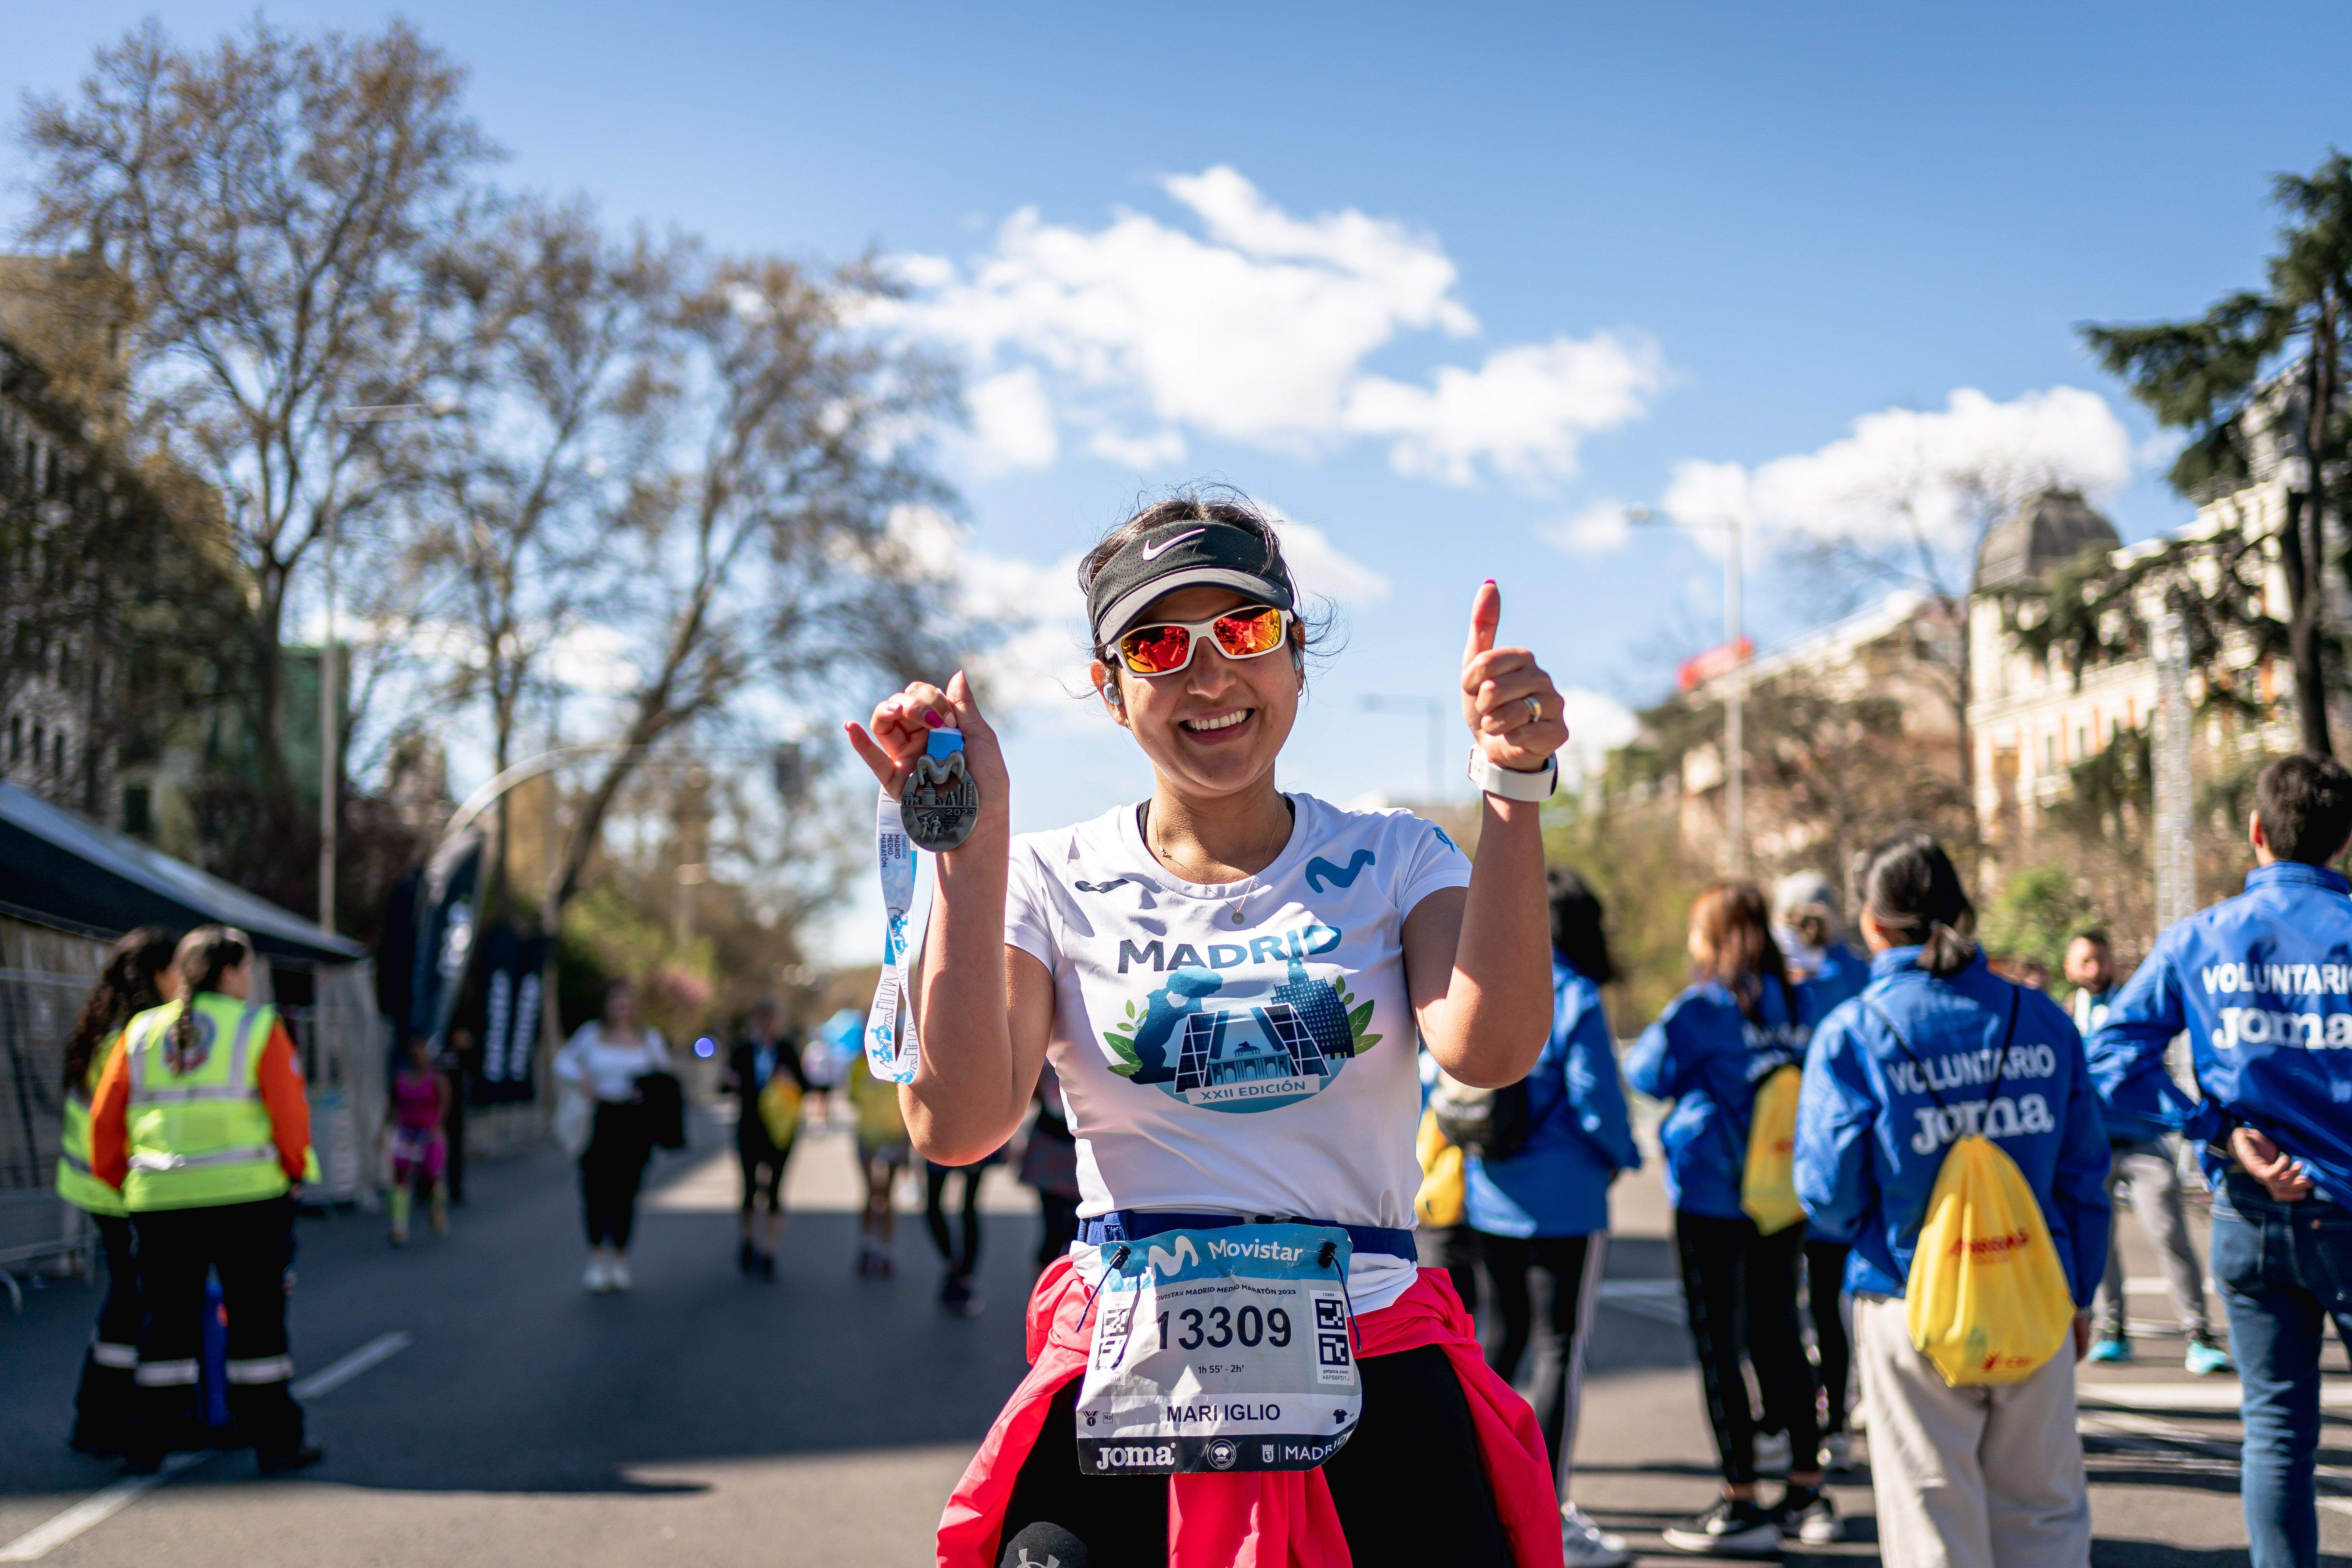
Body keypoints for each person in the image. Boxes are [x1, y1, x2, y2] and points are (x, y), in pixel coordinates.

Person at [847, 493, 1571, 1567]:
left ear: (1296, 655)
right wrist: (970, 849)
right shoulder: (1050, 878)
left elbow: (1491, 1047)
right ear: (1110, 686)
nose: (1209, 674)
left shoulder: (1397, 860)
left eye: (1242, 632)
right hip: (1136, 1374)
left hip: (1370, 1343)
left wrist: (1512, 788)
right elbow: (956, 1126)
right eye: (1158, 644)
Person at [1794, 832, 2111, 1568]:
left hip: (1910, 1299)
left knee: (1932, 1522)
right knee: (2046, 1516)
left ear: (1871, 925)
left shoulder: (1856, 1032)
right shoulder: (2042, 1019)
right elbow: (2085, 1178)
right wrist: (2080, 1292)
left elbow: (1828, 1195)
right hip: (2035, 1292)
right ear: (1963, 909)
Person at [2091, 753, 2352, 1568]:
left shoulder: (2200, 937)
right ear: (2344, 843)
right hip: (2347, 1206)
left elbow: (2110, 1054)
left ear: (2256, 833)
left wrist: (2212, 1126)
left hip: (2247, 1209)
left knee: (2276, 1431)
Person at [1627, 882, 1829, 1554]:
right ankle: (1807, 1487)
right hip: (1782, 1193)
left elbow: (1648, 1074)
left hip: (1714, 1195)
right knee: (1781, 1334)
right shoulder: (1800, 996)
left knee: (1722, 1346)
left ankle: (1741, 1498)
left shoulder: (1701, 1008)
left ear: (1711, 937)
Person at [89, 925, 324, 1476]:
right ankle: (274, 1440)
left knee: (164, 1322)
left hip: (161, 1202)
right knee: (256, 1323)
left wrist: (121, 1182)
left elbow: (106, 1118)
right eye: (246, 969)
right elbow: (291, 1117)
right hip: (248, 1199)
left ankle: (148, 1441)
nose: (250, 980)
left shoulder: (142, 1031)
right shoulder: (257, 1027)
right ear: (228, 972)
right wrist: (294, 1173)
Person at [1465, 866, 1640, 1567]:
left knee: (1496, 1349)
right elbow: (1599, 1105)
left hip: (1489, 1194)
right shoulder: (1574, 996)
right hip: (1564, 1201)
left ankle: (1484, 1494)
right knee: (1560, 1351)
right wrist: (1624, 1156)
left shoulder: (1494, 984)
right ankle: (1548, 1513)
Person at [2067, 929, 2229, 1374]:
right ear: (2070, 967)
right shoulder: (2060, 1015)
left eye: (2101, 959)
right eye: (2086, 961)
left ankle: (2198, 1331)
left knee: (2170, 1230)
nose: (2095, 969)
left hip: (2142, 1142)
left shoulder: (2133, 1007)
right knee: (2098, 1239)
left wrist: (2192, 1118)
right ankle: (2112, 1327)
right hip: (2092, 1145)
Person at [55, 926, 179, 1458]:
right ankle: (104, 1417)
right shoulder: (136, 1037)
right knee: (131, 1306)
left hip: (95, 1186)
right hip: (119, 1190)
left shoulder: (104, 1032)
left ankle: (106, 1416)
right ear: (155, 975)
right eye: (176, 970)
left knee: (127, 1304)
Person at [1770, 871, 1864, 1472]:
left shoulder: (1775, 977)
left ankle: (1785, 1416)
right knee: (1833, 1301)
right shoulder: (1859, 972)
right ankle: (1838, 1419)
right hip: (1850, 1157)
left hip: (1778, 1158)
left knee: (1777, 1305)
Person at [555, 978, 670, 1293]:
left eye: (627, 1002)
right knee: (594, 1189)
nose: (622, 1008)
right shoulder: (591, 1036)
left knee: (627, 1192)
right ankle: (596, 1259)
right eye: (616, 1001)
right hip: (598, 1120)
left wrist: (648, 1093)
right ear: (607, 1005)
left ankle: (620, 1259)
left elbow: (664, 1075)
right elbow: (562, 1061)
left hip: (634, 1124)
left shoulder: (649, 1039)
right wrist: (582, 1080)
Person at [723, 1000, 808, 1279]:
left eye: (771, 1021)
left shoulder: (786, 1050)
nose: (766, 1026)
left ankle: (770, 1251)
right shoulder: (743, 1051)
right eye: (762, 1020)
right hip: (749, 1126)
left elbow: (805, 1085)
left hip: (780, 1130)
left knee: (775, 1190)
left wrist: (790, 1079)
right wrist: (732, 1082)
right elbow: (725, 1085)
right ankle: (748, 1241)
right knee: (749, 1187)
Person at [384, 1034, 451, 1245]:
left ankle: (437, 1209)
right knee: (401, 1176)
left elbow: (445, 1105)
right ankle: (399, 1225)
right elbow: (393, 1106)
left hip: (428, 1134)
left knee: (433, 1177)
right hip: (407, 1134)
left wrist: (437, 1127)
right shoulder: (401, 1079)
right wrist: (384, 1130)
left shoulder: (438, 1080)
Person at [847, 1049, 910, 1276]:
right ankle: (867, 1245)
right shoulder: (860, 1066)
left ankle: (886, 1250)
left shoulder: (903, 1062)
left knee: (888, 1194)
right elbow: (853, 1097)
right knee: (871, 1193)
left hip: (894, 1138)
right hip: (867, 1138)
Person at [1018, 1062, 1082, 1273]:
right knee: (1053, 1230)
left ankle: (1070, 1293)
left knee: (1077, 1232)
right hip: (1048, 1146)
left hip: (1079, 1147)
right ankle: (1042, 1294)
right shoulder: (1044, 1051)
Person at [926, 1145, 1002, 1316]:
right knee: (933, 1207)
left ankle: (965, 1275)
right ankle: (954, 1266)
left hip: (972, 1139)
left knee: (969, 1208)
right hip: (939, 1139)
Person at [440, 1026, 477, 1205]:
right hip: (434, 1109)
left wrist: (468, 1048)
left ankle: (456, 1190)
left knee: (456, 1150)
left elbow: (475, 1067)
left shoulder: (464, 1054)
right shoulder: (439, 1050)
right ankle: (425, 1189)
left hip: (456, 1110)